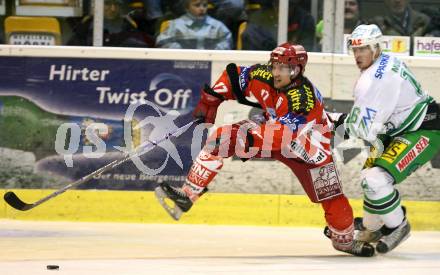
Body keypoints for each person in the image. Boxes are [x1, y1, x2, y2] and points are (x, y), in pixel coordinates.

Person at [155, 42, 375, 257]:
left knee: (332, 198)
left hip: (309, 148)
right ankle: (188, 194)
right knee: (221, 139)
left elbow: (281, 137)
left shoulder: (302, 100)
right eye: (274, 66)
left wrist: (250, 139)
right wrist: (213, 98)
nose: (276, 72)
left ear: (297, 70)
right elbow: (235, 76)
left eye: (283, 68)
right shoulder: (265, 75)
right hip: (274, 130)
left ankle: (344, 241)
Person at [340, 24, 440, 254]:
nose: (357, 55)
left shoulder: (375, 79)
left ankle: (398, 225)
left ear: (376, 48)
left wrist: (326, 130)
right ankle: (371, 228)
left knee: (375, 179)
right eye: (355, 50)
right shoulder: (386, 60)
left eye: (363, 49)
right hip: (401, 129)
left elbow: (361, 129)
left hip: (423, 129)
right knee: (369, 177)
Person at [67, 0, 155, 47]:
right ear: (95, 5)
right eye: (107, 3)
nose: (113, 9)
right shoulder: (85, 26)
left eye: (116, 4)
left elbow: (142, 47)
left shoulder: (128, 24)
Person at [155, 0, 232, 49]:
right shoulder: (175, 25)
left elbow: (227, 42)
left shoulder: (218, 25)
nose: (202, 9)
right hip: (180, 64)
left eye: (205, 5)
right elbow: (162, 43)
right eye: (197, 5)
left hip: (212, 64)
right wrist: (180, 53)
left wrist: (214, 52)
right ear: (187, 8)